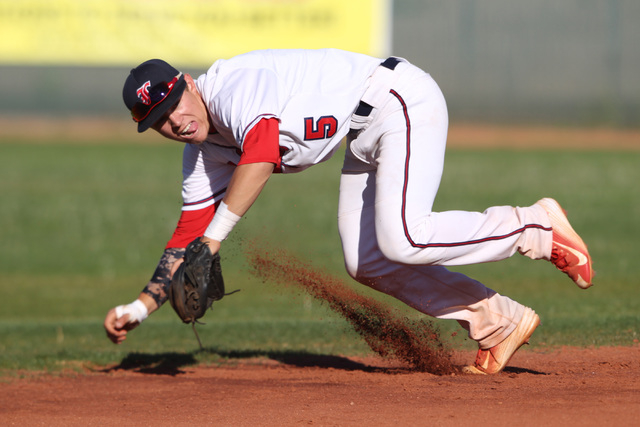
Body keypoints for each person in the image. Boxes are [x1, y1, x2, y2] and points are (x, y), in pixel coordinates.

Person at [103, 49, 594, 374]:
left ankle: (537, 225)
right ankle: (498, 322)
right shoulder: (202, 155)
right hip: (364, 134)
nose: (175, 120)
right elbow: (185, 237)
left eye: (172, 103)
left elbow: (259, 153)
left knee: (406, 235)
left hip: (397, 99)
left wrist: (212, 241)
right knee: (368, 261)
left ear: (188, 83)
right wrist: (141, 307)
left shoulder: (231, 89)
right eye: (158, 120)